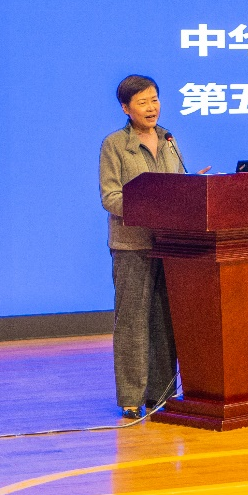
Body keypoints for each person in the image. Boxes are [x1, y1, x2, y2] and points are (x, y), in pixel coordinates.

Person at [99, 74, 185, 419]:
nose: (152, 108)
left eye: (154, 99)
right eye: (142, 102)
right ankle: (131, 397)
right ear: (126, 108)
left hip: (168, 243)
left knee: (165, 321)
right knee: (132, 322)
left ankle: (162, 393)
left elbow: (177, 186)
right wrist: (149, 206)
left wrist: (192, 189)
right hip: (131, 244)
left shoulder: (168, 139)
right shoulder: (114, 144)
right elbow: (110, 197)